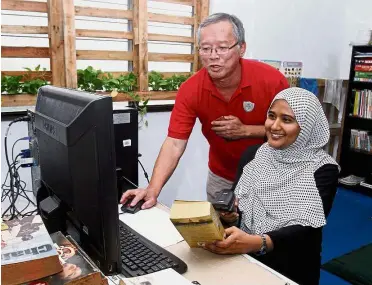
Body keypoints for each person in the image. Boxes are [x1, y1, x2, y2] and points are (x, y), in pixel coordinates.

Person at [121, 13, 288, 208]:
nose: (213, 56)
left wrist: (246, 131)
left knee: (263, 234)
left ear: (241, 48)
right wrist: (152, 189)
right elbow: (175, 143)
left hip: (270, 173)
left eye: (222, 48)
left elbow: (295, 130)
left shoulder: (271, 80)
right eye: (206, 48)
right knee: (220, 234)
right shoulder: (191, 89)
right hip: (222, 175)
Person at [203, 87, 340, 285]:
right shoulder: (254, 155)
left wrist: (259, 243)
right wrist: (232, 216)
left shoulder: (322, 169)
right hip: (242, 257)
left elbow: (306, 228)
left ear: (306, 126)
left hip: (290, 264)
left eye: (287, 120)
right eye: (271, 116)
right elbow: (239, 203)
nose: (274, 126)